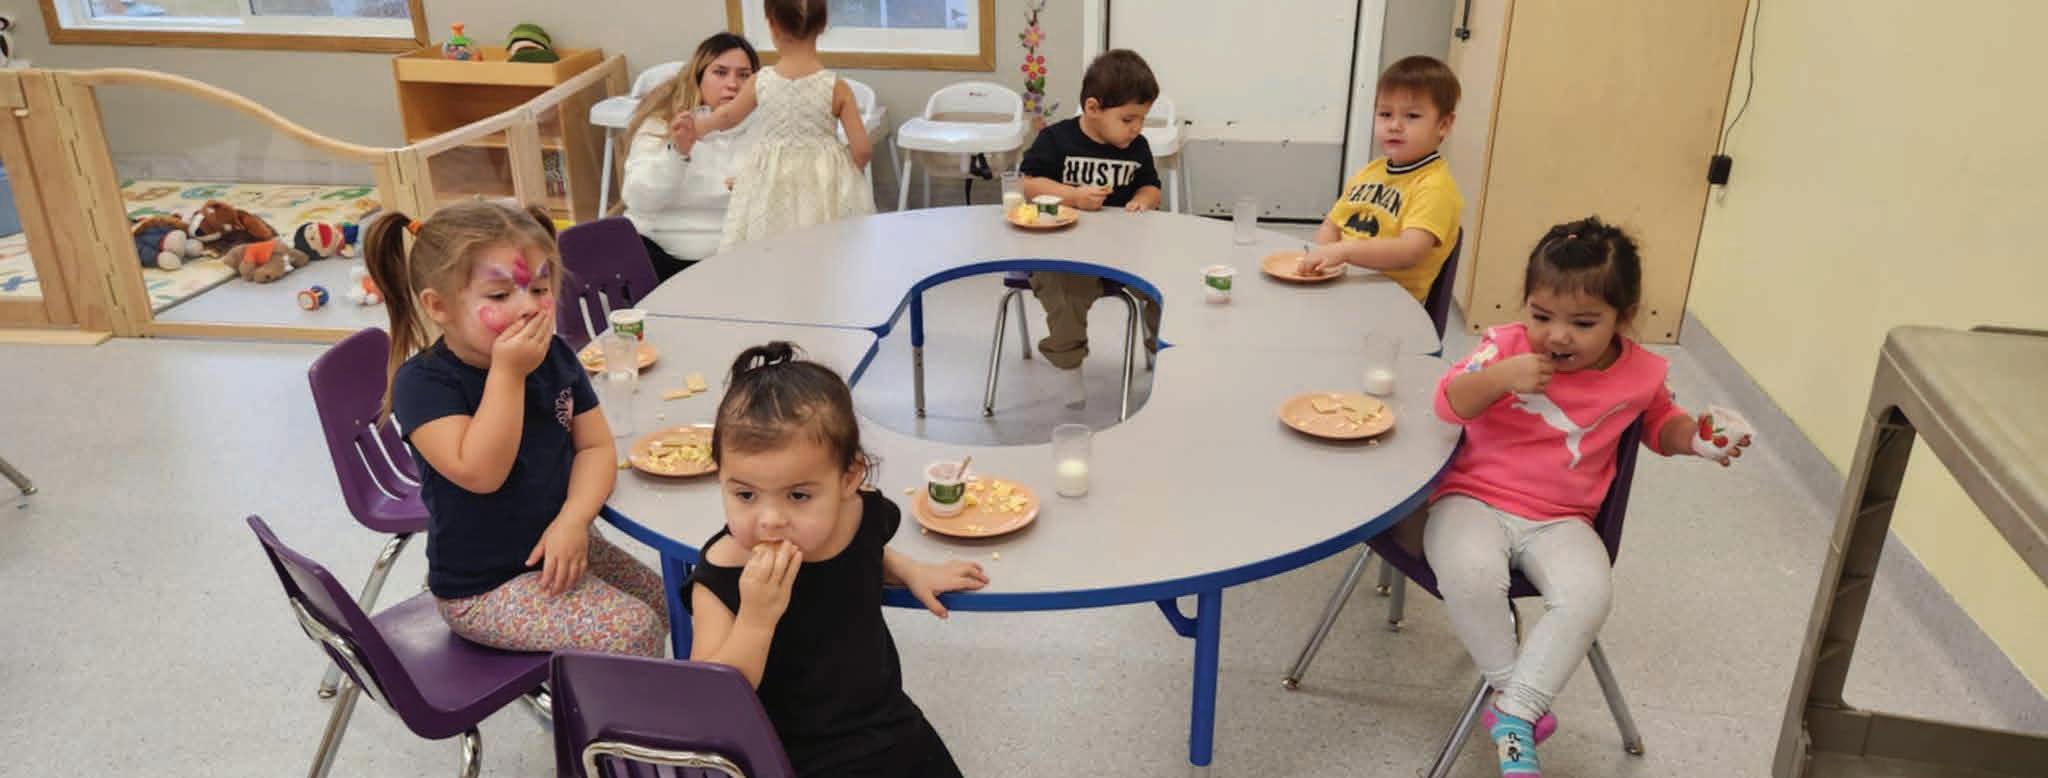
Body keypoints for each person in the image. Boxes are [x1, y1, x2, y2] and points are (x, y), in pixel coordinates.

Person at [1425, 216, 1751, 776]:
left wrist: (1697, 439)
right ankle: (1515, 704)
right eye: (1541, 316)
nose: (1557, 336)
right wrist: (1501, 377)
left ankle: (1511, 712)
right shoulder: (1502, 346)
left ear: (1623, 318)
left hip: (1563, 518)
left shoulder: (1641, 373)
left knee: (1588, 594)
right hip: (1472, 497)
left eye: (1583, 323)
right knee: (1469, 573)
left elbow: (1660, 425)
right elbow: (1447, 402)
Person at [362, 200, 668, 658]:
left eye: (539, 288)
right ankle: (605, 705)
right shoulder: (424, 384)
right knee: (633, 631)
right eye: (500, 296)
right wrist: (508, 374)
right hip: (484, 588)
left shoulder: (554, 355)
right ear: (439, 306)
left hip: (558, 543)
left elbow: (595, 447)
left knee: (664, 601)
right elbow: (483, 473)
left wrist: (574, 519)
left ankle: (624, 689)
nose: (528, 307)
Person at [687, 342, 988, 777]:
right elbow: (710, 705)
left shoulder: (859, 516)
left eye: (798, 496)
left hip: (884, 727)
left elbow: (865, 554)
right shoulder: (720, 576)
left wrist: (910, 570)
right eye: (745, 495)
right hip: (785, 755)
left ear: (848, 480)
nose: (770, 521)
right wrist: (755, 620)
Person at [1017, 48, 1163, 408]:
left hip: (1123, 251)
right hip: (1064, 253)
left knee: (1168, 285)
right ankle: (1070, 368)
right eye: (1128, 119)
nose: (1137, 128)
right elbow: (1030, 184)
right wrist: (1073, 196)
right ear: (1093, 108)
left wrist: (1143, 200)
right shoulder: (1056, 139)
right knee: (1063, 295)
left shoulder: (1137, 147)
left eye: (1142, 119)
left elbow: (1151, 186)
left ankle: (1160, 351)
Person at [687, 0, 875, 250]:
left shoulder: (760, 82)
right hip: (823, 185)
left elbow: (727, 117)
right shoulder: (837, 87)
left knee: (768, 249)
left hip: (769, 183)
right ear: (822, 26)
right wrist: (843, 173)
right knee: (824, 250)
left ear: (772, 25)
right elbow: (863, 150)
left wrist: (698, 127)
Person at [1298, 55, 1465, 302]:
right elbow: (1332, 226)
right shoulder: (1370, 172)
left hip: (1391, 303)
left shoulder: (1434, 186)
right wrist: (1322, 259)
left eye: (1412, 116)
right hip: (1343, 288)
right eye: (1385, 114)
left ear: (1444, 124)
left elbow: (1410, 250)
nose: (1395, 125)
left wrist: (1345, 251)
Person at [619, 33, 760, 280]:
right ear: (698, 77)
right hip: (659, 250)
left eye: (743, 75)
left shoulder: (763, 128)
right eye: (720, 72)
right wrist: (677, 154)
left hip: (731, 256)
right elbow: (638, 200)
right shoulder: (661, 124)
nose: (732, 84)